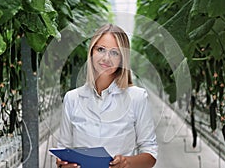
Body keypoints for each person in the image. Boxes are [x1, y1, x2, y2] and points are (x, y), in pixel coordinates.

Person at [56, 24, 158, 168]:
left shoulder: (137, 97)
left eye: (115, 53)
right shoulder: (72, 98)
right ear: (91, 52)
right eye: (101, 49)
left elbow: (150, 154)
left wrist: (127, 163)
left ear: (123, 59)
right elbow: (63, 149)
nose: (106, 58)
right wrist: (63, 165)